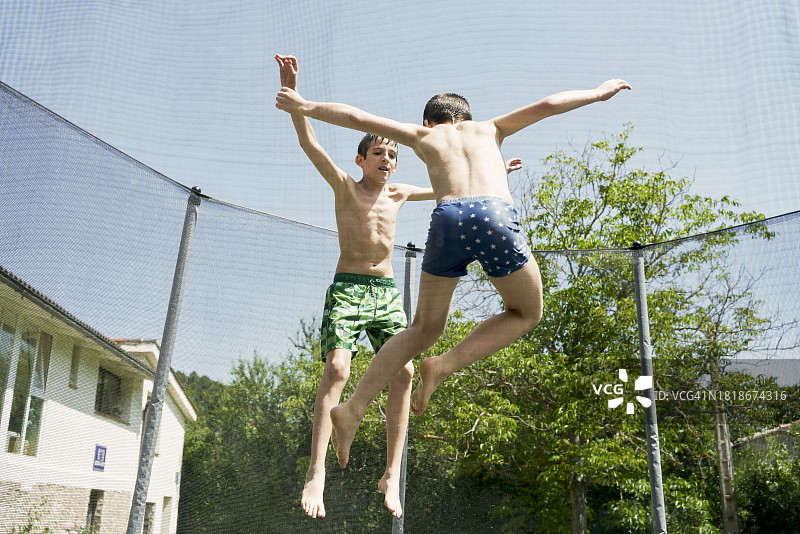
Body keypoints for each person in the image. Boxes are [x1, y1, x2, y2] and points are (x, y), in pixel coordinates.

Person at [276, 66, 631, 470]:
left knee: (423, 329)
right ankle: (442, 365)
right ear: (467, 118)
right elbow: (549, 105)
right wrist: (598, 92)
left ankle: (354, 407)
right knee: (527, 313)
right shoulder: (490, 129)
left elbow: (357, 117)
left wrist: (304, 105)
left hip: (447, 218)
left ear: (430, 122)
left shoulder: (424, 135)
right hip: (493, 215)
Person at [276, 54, 524, 519]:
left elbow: (451, 182)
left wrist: (496, 174)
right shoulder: (344, 185)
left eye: (393, 154)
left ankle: (391, 474)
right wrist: (295, 101)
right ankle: (316, 473)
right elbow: (310, 144)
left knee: (405, 373)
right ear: (361, 159)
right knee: (337, 370)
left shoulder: (401, 192)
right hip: (349, 289)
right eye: (379, 154)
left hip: (385, 291)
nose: (387, 160)